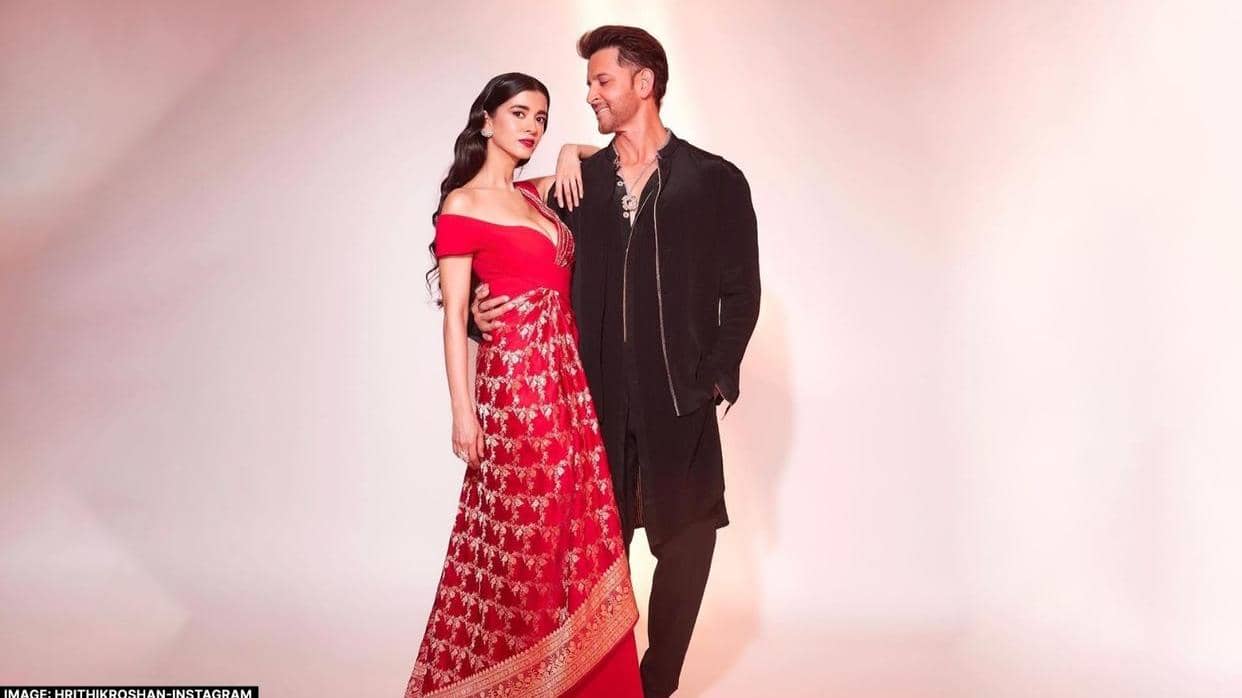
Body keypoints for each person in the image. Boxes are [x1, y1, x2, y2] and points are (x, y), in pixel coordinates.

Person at [472, 27, 761, 698]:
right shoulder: (578, 185)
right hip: (590, 398)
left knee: (689, 537)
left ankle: (655, 685)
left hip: (678, 396)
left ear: (644, 83)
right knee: (597, 552)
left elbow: (741, 289)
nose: (590, 94)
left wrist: (716, 377)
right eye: (589, 84)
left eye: (602, 80)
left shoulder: (713, 180)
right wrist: (472, 311)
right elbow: (492, 223)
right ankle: (603, 682)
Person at [404, 72, 642, 698]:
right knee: (527, 535)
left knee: (572, 528)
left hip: (566, 385)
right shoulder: (463, 205)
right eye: (519, 113)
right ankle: (517, 679)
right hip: (515, 387)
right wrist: (463, 413)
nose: (532, 126)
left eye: (541, 117)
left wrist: (567, 151)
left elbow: (616, 153)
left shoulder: (537, 196)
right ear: (486, 120)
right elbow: (457, 316)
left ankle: (573, 680)